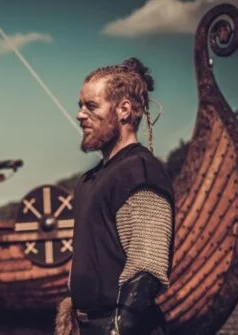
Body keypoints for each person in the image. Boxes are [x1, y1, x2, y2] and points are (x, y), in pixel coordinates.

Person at [68, 57, 175, 335]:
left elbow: (146, 265)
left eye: (91, 106)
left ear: (124, 110)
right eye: (80, 106)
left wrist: (119, 326)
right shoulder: (89, 181)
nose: (80, 115)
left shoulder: (139, 172)